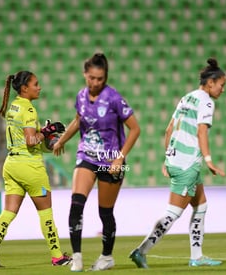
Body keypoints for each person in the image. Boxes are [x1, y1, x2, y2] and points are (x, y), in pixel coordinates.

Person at [129, 58, 226, 268]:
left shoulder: (186, 98)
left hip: (176, 159)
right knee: (173, 212)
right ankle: (141, 250)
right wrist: (209, 160)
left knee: (201, 205)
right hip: (187, 164)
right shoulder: (207, 102)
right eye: (221, 85)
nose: (223, 90)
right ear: (211, 83)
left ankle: (197, 256)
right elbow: (202, 131)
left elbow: (169, 129)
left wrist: (167, 158)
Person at [52, 52, 140, 271]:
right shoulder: (81, 96)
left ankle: (107, 257)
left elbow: (135, 129)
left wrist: (120, 157)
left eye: (100, 79)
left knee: (105, 213)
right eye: (92, 78)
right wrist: (61, 141)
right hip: (87, 157)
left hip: (111, 161)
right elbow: (78, 120)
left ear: (106, 77)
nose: (95, 83)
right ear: (85, 74)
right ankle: (77, 257)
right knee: (76, 204)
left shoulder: (114, 98)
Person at [0, 71, 71, 267]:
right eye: (36, 84)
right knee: (46, 212)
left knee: (8, 212)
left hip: (11, 165)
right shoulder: (29, 109)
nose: (39, 87)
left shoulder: (14, 106)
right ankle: (57, 256)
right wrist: (49, 130)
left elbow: (26, 140)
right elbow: (31, 142)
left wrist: (45, 134)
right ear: (24, 88)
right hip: (29, 166)